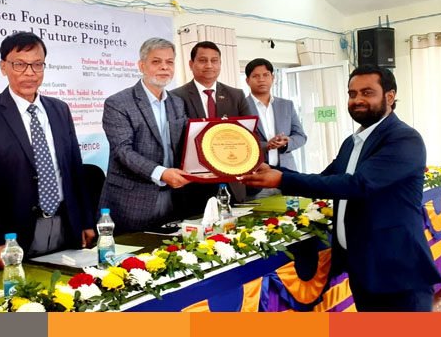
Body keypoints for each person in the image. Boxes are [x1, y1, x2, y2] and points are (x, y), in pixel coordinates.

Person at [240, 64, 441, 311]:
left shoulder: (403, 138)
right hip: (363, 270)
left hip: (398, 272)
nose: (357, 100)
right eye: (352, 94)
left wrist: (281, 180)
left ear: (390, 96)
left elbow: (358, 185)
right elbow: (326, 179)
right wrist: (274, 172)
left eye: (367, 92)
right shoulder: (352, 142)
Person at [0, 32, 94, 270]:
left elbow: (74, 168)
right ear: (3, 67)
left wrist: (85, 221)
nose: (30, 73)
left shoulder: (59, 109)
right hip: (13, 234)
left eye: (37, 64)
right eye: (20, 64)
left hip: (65, 224)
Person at [100, 37, 190, 233]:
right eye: (156, 61)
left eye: (169, 62)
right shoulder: (118, 103)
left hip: (174, 196)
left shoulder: (177, 102)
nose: (164, 67)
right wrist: (161, 173)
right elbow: (122, 151)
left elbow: (186, 143)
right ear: (142, 66)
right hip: (132, 201)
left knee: (173, 248)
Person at [171, 41, 251, 217]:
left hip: (232, 181)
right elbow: (174, 140)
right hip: (194, 184)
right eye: (203, 60)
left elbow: (249, 135)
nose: (209, 65)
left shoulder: (236, 95)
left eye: (214, 60)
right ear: (191, 64)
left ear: (220, 64)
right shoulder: (176, 96)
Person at [245, 58, 306, 197]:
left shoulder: (287, 105)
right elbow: (239, 143)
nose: (261, 79)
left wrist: (287, 142)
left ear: (273, 78)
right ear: (247, 80)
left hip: (286, 175)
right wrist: (266, 145)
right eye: (256, 76)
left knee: (292, 210)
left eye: (265, 75)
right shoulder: (241, 106)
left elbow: (301, 136)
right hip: (258, 176)